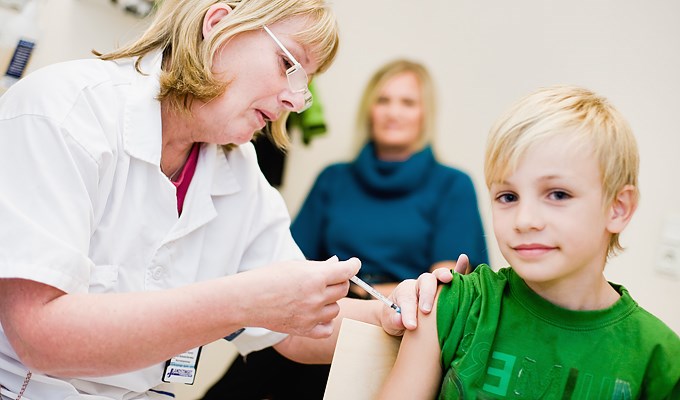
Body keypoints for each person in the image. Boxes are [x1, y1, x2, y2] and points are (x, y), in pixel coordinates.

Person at [0, 1, 454, 399]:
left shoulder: (238, 173)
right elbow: (40, 335)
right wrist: (241, 302)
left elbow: (294, 329)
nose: (297, 100)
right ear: (218, 26)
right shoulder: (63, 112)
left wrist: (391, 315)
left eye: (306, 82)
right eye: (288, 65)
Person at [207, 59, 487, 399]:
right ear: (369, 109)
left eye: (407, 102)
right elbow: (290, 265)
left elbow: (446, 291)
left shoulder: (452, 186)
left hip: (396, 326)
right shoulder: (334, 179)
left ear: (425, 113)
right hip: (323, 316)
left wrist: (373, 295)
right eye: (383, 100)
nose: (392, 112)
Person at [378, 85, 680, 399]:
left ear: (617, 208)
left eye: (558, 194)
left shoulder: (661, 361)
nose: (524, 220)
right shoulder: (456, 305)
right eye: (508, 196)